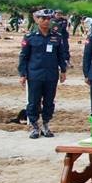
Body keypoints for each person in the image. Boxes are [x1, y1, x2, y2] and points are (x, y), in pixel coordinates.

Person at [17, 9, 68, 139]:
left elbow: (61, 55)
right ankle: (34, 126)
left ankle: (46, 124)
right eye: (43, 18)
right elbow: (23, 56)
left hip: (51, 74)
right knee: (33, 101)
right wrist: (22, 74)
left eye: (48, 19)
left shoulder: (57, 36)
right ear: (36, 19)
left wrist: (63, 70)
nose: (46, 21)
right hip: (35, 74)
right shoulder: (30, 37)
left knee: (49, 101)